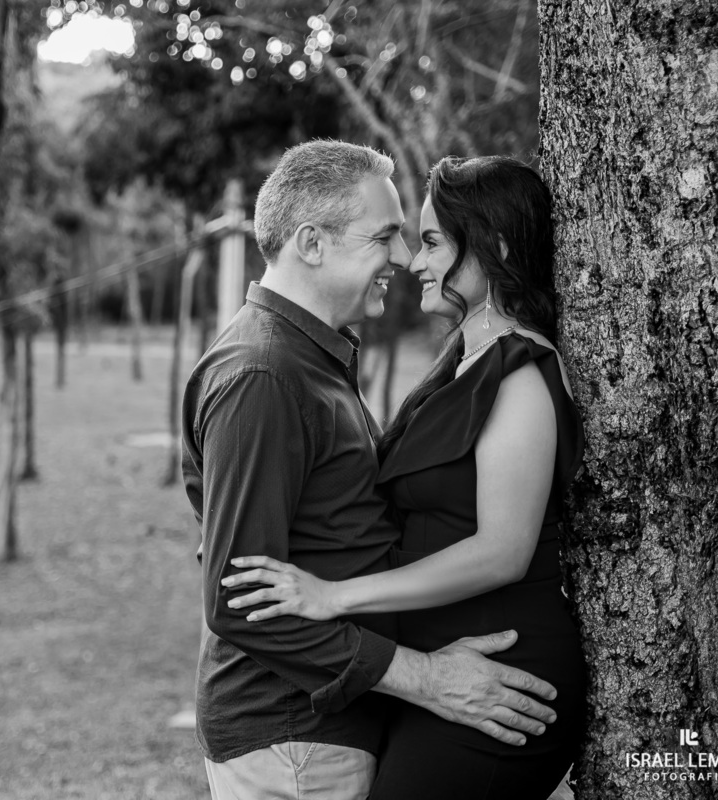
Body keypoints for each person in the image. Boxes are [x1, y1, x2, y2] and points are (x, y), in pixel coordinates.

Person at [182, 142, 560, 800]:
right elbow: (242, 602)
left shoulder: (308, 360)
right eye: (384, 236)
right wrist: (426, 678)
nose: (401, 257)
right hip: (295, 735)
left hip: (328, 728)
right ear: (312, 243)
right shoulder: (263, 375)